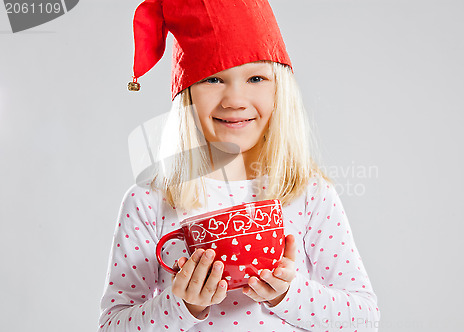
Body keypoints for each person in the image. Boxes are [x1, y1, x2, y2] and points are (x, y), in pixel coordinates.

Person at [99, 0, 380, 331]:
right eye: (213, 79)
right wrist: (182, 305)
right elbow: (113, 325)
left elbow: (364, 318)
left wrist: (288, 295)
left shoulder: (308, 193)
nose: (234, 100)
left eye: (256, 78)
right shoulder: (149, 202)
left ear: (280, 91)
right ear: (186, 93)